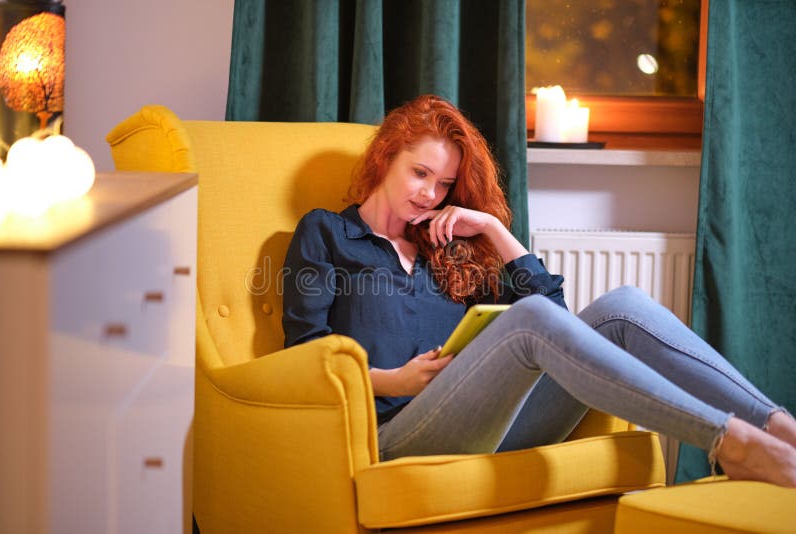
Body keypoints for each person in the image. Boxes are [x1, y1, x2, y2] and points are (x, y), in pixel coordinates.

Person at [282, 94, 796, 487]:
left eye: (443, 184)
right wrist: (395, 380)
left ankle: (780, 429)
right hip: (396, 435)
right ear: (384, 158)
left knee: (622, 308)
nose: (430, 194)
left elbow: (563, 327)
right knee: (527, 320)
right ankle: (727, 442)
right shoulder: (326, 233)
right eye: (420, 173)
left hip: (494, 422)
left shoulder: (446, 246)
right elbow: (305, 357)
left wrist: (493, 231)